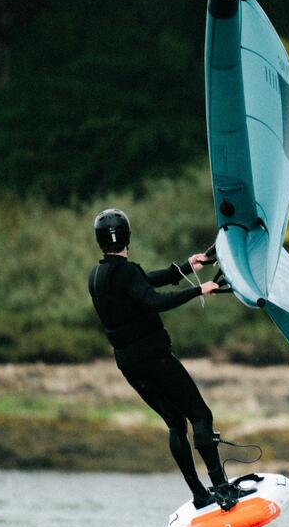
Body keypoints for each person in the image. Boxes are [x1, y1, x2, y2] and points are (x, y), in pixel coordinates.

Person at [87, 208, 248, 511]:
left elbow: (144, 283)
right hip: (156, 359)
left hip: (129, 365)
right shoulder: (127, 272)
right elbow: (152, 298)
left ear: (100, 241)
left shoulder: (96, 276)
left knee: (175, 423)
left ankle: (200, 494)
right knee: (200, 415)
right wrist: (197, 289)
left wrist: (187, 266)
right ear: (127, 237)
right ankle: (222, 489)